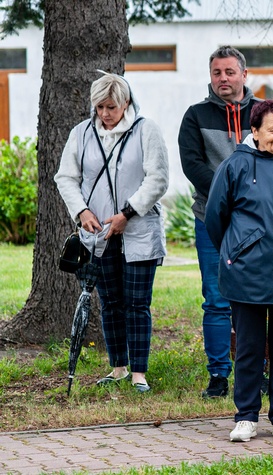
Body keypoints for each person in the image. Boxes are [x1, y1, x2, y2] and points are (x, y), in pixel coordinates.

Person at [205, 100, 273, 443]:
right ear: (255, 131)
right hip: (247, 274)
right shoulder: (235, 165)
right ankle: (246, 416)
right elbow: (215, 218)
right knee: (250, 348)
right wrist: (239, 249)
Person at [55, 71, 169, 393]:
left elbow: (157, 178)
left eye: (111, 107)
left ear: (126, 103)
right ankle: (118, 367)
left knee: (137, 303)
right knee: (110, 302)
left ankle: (139, 373)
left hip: (138, 231)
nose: (105, 114)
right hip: (98, 232)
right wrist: (82, 211)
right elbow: (66, 177)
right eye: (100, 107)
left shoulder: (146, 130)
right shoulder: (81, 133)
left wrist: (127, 214)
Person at [179, 46, 260, 399]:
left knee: (257, 299)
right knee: (215, 298)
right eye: (217, 73)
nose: (223, 78)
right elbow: (192, 164)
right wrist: (228, 194)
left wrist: (247, 198)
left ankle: (257, 371)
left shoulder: (264, 112)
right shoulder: (195, 115)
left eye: (229, 72)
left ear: (244, 74)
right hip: (210, 219)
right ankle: (218, 375)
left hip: (258, 223)